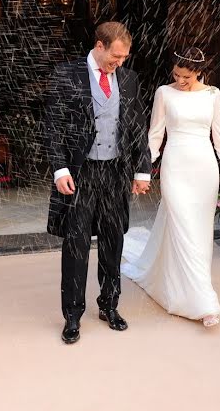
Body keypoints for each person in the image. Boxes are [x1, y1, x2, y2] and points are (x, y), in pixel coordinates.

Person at [44, 21, 151, 344]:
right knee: (76, 245)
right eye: (115, 56)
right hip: (81, 172)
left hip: (116, 171)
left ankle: (109, 304)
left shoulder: (129, 79)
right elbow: (52, 125)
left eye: (124, 58)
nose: (119, 63)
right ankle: (73, 315)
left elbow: (137, 126)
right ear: (99, 46)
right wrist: (60, 169)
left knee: (112, 241)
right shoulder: (67, 74)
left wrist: (142, 170)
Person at [121, 48, 220, 327]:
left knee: (199, 230)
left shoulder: (213, 95)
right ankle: (204, 303)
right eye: (176, 75)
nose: (180, 80)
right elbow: (155, 134)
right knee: (182, 224)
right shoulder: (164, 93)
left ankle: (192, 286)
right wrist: (144, 172)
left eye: (186, 76)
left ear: (198, 71)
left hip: (204, 169)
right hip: (175, 167)